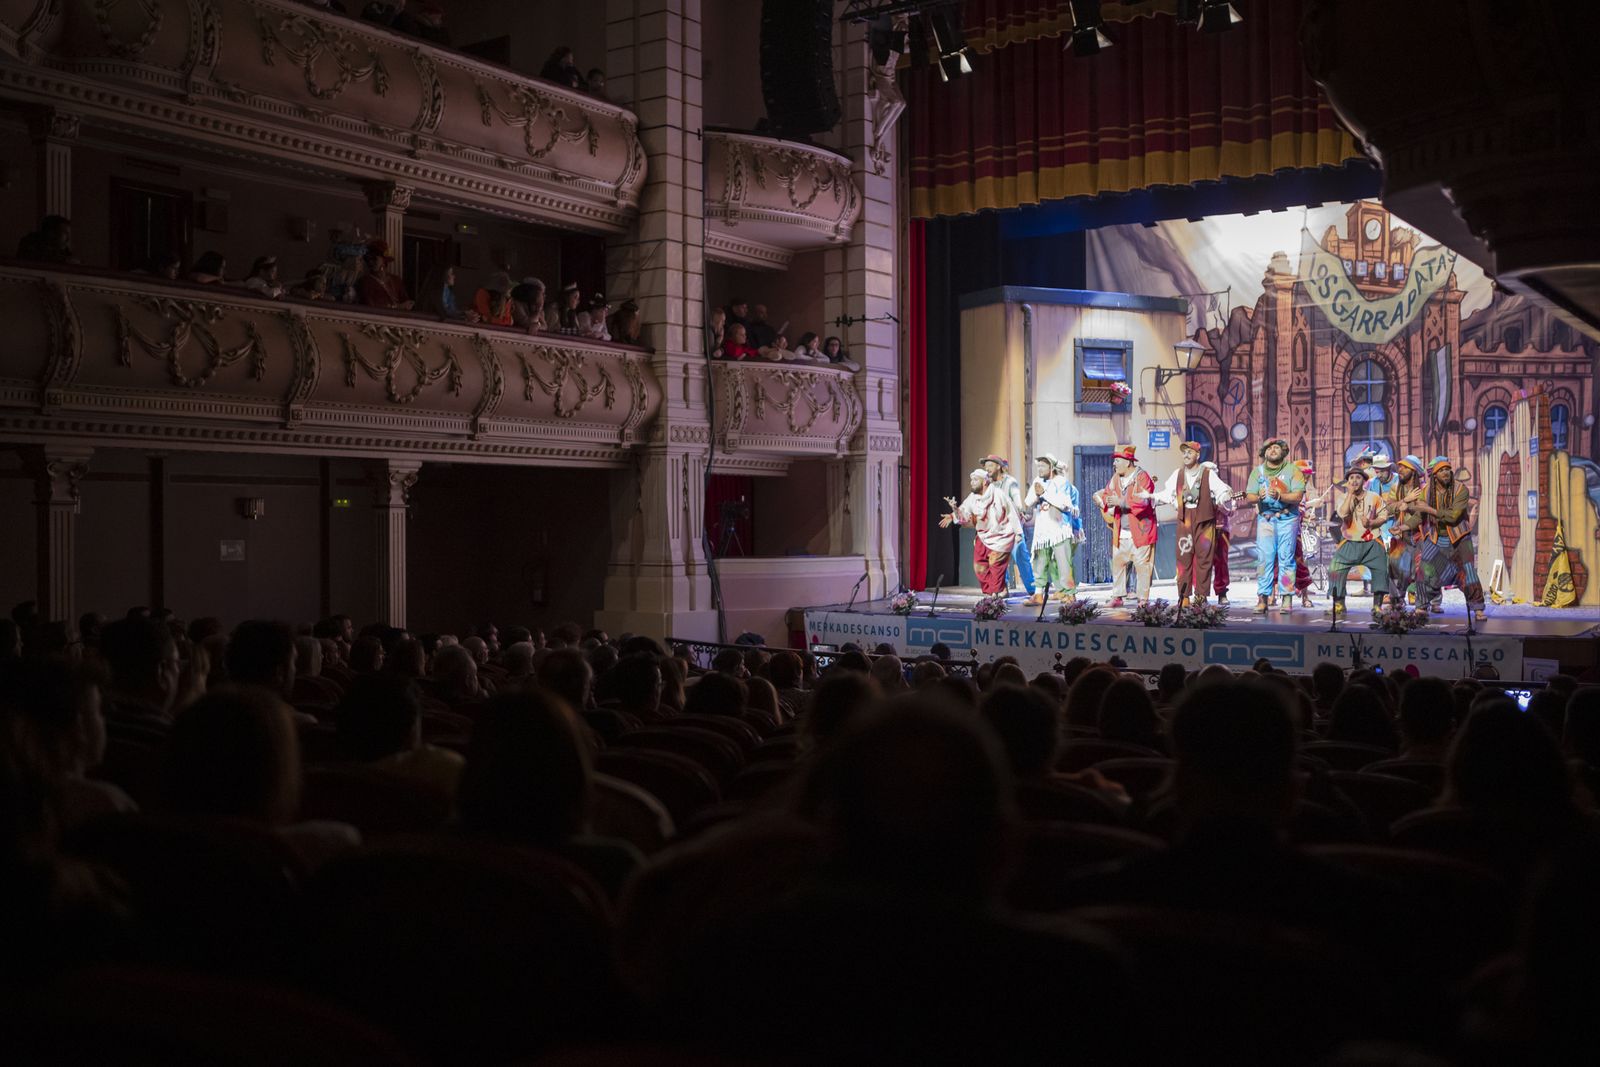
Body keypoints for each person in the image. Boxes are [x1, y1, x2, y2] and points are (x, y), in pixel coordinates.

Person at [1152, 440, 1232, 607]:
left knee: (1204, 560)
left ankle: (1201, 596)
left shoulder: (1208, 473)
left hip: (1204, 520)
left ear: (1198, 455)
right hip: (1185, 520)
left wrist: (1224, 496)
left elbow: (1222, 490)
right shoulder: (1178, 474)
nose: (1186, 455)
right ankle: (1184, 597)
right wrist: (1151, 497)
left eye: (1190, 452)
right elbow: (1168, 494)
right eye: (1184, 452)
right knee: (1183, 559)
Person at [1417, 456, 1487, 622]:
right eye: (1441, 470)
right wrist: (1404, 526)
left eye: (1447, 469)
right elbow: (1419, 513)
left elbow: (1454, 516)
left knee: (1468, 572)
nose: (1445, 472)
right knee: (1424, 570)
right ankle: (1421, 606)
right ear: (1434, 475)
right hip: (1436, 537)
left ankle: (1477, 608)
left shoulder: (1460, 489)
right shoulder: (1427, 491)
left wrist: (1429, 509)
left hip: (1459, 537)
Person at [1244, 437, 1305, 613]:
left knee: (1286, 558)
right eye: (1269, 447)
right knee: (1264, 559)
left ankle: (1287, 598)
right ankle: (1263, 598)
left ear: (1283, 451)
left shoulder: (1293, 470)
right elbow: (1250, 496)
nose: (1272, 450)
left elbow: (1298, 496)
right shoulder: (1258, 472)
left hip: (1288, 519)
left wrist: (1281, 495)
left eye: (1276, 447)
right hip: (1266, 519)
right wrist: (1258, 497)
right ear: (1264, 452)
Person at [940, 468, 1022, 597]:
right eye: (971, 480)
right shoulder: (972, 498)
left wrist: (1018, 533)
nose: (972, 482)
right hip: (983, 537)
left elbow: (1011, 512)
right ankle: (994, 592)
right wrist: (954, 513)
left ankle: (995, 595)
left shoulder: (998, 494)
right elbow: (964, 514)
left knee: (996, 567)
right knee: (979, 567)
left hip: (1001, 536)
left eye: (975, 480)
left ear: (984, 482)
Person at [1093, 444, 1157, 608]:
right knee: (1118, 564)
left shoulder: (1142, 477)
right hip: (1121, 531)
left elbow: (1143, 501)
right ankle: (1118, 596)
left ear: (1128, 462)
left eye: (1117, 461)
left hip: (1141, 531)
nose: (1114, 464)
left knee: (1142, 567)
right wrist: (1105, 500)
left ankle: (1143, 599)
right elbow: (1108, 493)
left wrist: (1121, 502)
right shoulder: (1116, 478)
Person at [1326, 466, 1392, 619]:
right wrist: (1349, 494)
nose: (1354, 481)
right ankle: (1339, 604)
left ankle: (1377, 606)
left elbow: (1384, 515)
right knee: (1335, 569)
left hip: (1372, 540)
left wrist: (1372, 523)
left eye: (1358, 478)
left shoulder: (1374, 497)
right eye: (1351, 478)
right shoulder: (1343, 497)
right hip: (1349, 541)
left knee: (1381, 569)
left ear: (1364, 481)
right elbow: (1342, 513)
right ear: (1347, 481)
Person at [1023, 453, 1082, 604]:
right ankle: (1038, 594)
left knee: (1063, 563)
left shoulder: (1061, 482)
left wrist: (1044, 493)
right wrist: (1037, 495)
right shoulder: (1037, 480)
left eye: (1043, 466)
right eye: (1038, 466)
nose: (1040, 469)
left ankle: (1070, 593)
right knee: (1040, 563)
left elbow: (1065, 504)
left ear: (1051, 467)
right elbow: (1028, 501)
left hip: (1059, 530)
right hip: (1042, 531)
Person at [981, 455, 1033, 596]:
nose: (987, 469)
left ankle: (1032, 590)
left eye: (990, 465)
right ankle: (1002, 588)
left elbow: (1016, 499)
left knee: (1020, 557)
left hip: (1011, 526)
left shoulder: (1010, 482)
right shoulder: (989, 485)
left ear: (998, 466)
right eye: (986, 466)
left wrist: (1020, 510)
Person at [1381, 455, 1428, 609]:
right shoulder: (1396, 487)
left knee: (1420, 569)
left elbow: (1421, 515)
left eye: (1404, 467)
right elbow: (1388, 509)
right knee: (1394, 567)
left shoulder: (1424, 490)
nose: (1400, 470)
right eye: (1400, 467)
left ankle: (1423, 603)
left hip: (1419, 534)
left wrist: (1408, 507)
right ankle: (1396, 600)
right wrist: (1404, 501)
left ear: (1413, 471)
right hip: (1400, 535)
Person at [1292, 459, 1330, 608]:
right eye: (1304, 474)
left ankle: (1305, 597)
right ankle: (1276, 596)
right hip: (1286, 532)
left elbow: (1302, 509)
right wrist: (1309, 505)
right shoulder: (1289, 488)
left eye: (1308, 475)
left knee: (1301, 565)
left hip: (1297, 532)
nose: (1306, 478)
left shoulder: (1304, 489)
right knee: (1280, 565)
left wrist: (1309, 509)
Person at [356, 240, 411, 309]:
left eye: (374, 258)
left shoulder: (396, 280)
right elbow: (370, 306)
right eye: (368, 259)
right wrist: (397, 307)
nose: (370, 262)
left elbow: (406, 302)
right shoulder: (365, 282)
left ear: (383, 259)